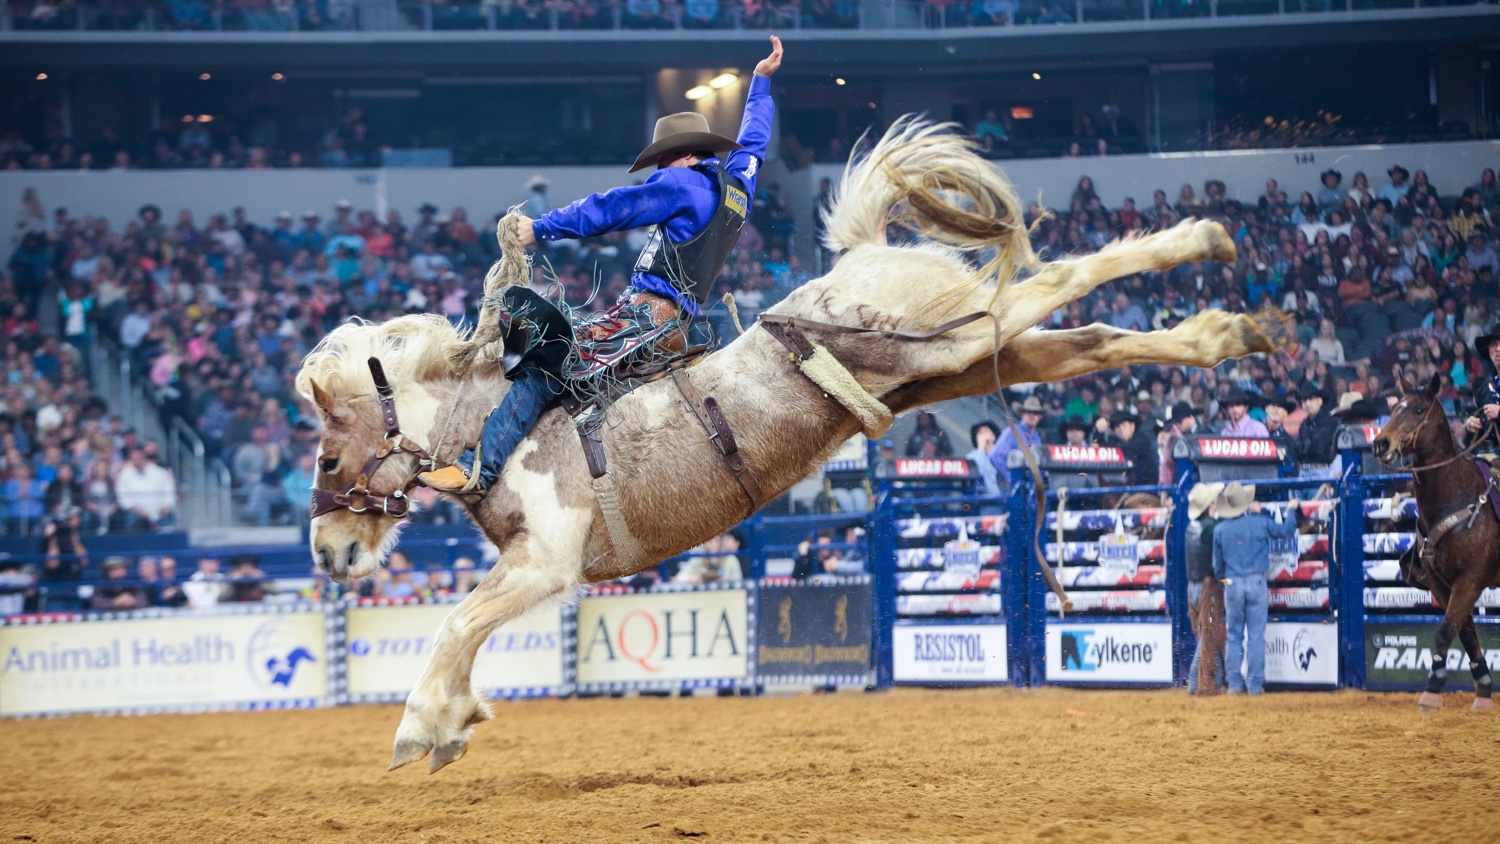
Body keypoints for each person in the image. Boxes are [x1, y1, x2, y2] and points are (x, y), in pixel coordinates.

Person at [420, 36, 783, 494]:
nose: (662, 167)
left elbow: (612, 207)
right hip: (677, 323)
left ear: (688, 154)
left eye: (666, 157)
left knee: (545, 364)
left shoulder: (679, 184)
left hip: (648, 319)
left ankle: (481, 468)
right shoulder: (738, 186)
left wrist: (541, 228)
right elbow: (753, 145)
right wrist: (761, 87)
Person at [1213, 483, 1300, 696]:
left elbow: (1217, 567)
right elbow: (1287, 531)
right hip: (1256, 581)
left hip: (1232, 583)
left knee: (1234, 635)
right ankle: (1254, 685)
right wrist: (1291, 509)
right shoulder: (1260, 523)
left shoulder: (1220, 530)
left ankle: (1234, 684)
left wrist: (1226, 583)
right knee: (1255, 636)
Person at [1185, 481, 1224, 695]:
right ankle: (1194, 680)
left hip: (1193, 586)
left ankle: (1215, 679)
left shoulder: (1191, 527)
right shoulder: (1211, 527)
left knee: (1209, 633)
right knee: (1208, 635)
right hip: (1207, 587)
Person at [990, 397, 1044, 484]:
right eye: (1028, 412)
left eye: (1036, 413)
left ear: (1040, 416)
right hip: (1009, 485)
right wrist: (1011, 478)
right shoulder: (1012, 432)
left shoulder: (1036, 437)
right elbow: (996, 456)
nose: (1032, 416)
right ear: (1022, 414)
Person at [1464, 331, 1500, 448]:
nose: (1498, 349)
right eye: (1494, 345)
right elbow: (1480, 431)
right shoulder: (1485, 387)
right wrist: (1472, 426)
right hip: (1493, 454)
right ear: (1489, 351)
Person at [673, 531, 744, 584]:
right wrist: (691, 579)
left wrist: (724, 581)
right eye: (709, 541)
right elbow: (678, 578)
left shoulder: (731, 559)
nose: (712, 545)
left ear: (721, 542)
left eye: (716, 540)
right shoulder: (698, 559)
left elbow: (739, 581)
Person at [966, 421, 1001, 497]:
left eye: (986, 432)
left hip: (1001, 499)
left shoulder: (999, 454)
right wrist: (981, 448)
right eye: (980, 433)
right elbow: (977, 471)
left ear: (993, 436)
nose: (983, 436)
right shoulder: (971, 457)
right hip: (981, 500)